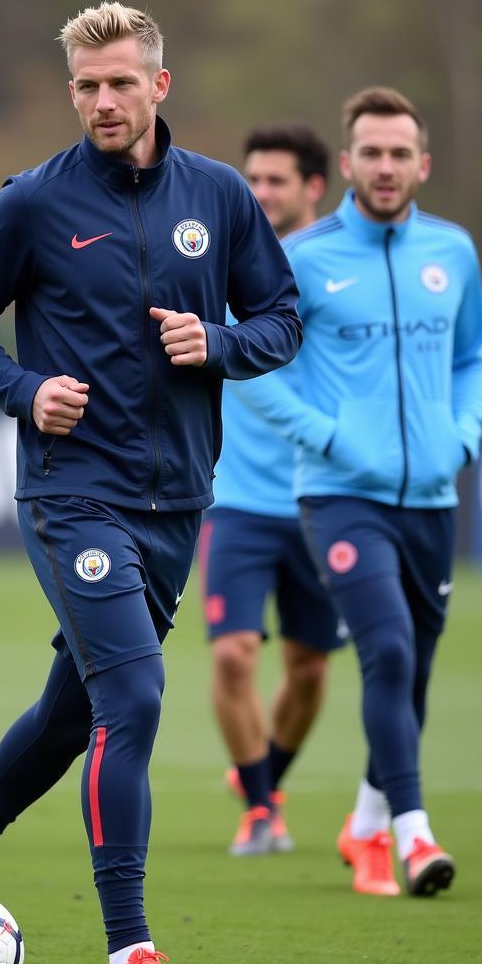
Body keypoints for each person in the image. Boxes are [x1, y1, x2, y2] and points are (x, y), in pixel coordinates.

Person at [0, 2, 301, 964]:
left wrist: (215, 344)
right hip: (71, 493)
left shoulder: (216, 195)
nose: (103, 101)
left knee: (73, 707)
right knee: (133, 701)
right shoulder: (33, 201)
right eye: (86, 86)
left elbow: (282, 319)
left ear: (159, 85)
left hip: (179, 501)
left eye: (121, 82)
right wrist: (23, 389)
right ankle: (130, 951)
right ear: (70, 90)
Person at [234, 87, 482, 897]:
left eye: (399, 153)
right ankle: (415, 836)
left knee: (409, 675)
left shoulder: (454, 253)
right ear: (345, 166)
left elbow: (474, 356)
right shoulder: (303, 258)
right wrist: (331, 436)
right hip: (342, 496)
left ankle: (366, 825)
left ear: (423, 163)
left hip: (432, 499)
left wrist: (465, 435)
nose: (386, 167)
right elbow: (250, 367)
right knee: (385, 649)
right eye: (370, 153)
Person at [199, 125, 345, 858]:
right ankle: (261, 809)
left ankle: (263, 778)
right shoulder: (222, 260)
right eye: (251, 178)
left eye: (276, 181)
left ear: (313, 187)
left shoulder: (340, 273)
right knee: (232, 656)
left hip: (324, 498)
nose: (259, 193)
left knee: (311, 668)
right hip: (236, 500)